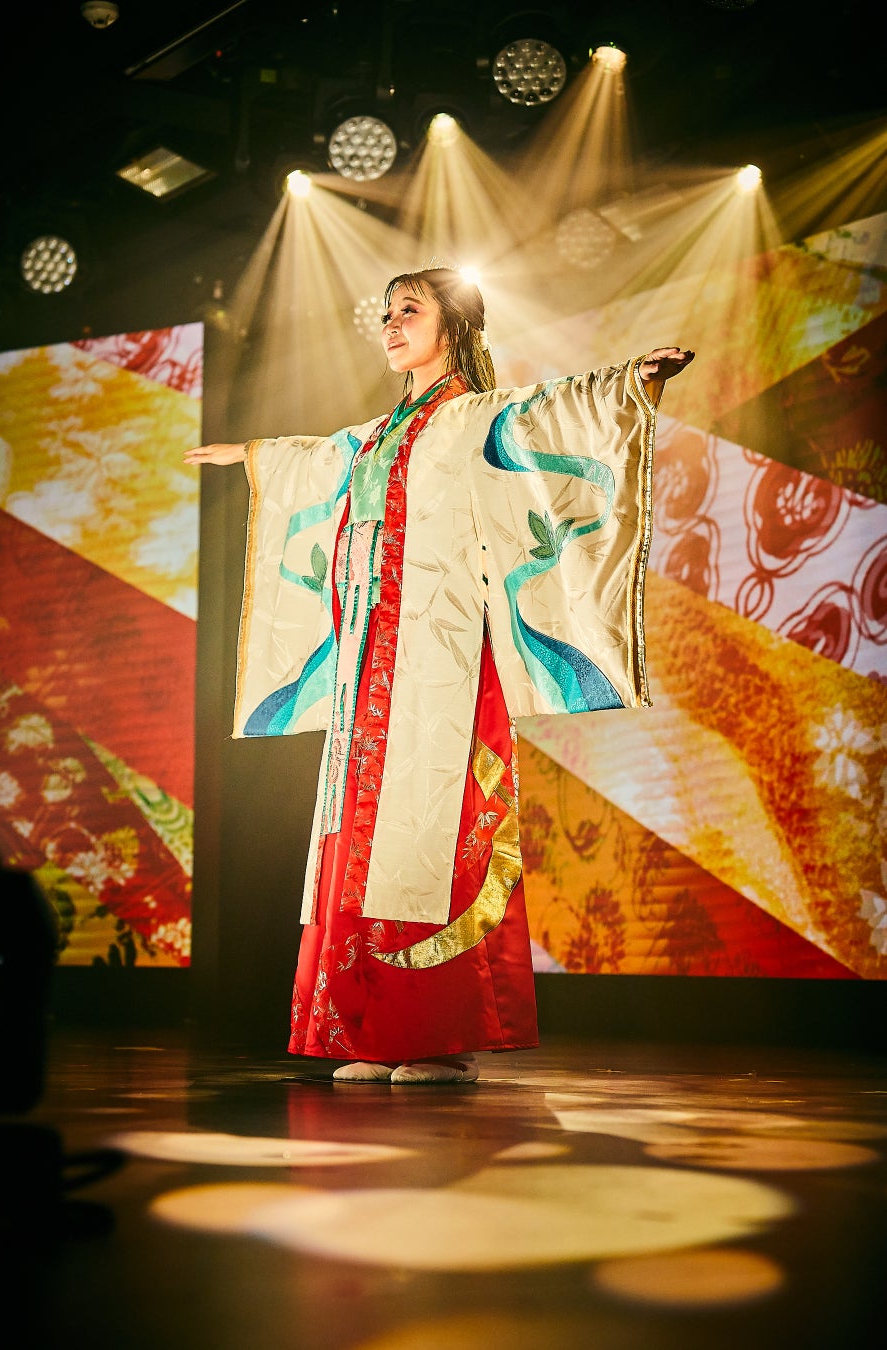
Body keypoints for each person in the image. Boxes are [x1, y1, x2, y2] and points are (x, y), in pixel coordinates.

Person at [186, 267, 694, 1084]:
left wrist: (628, 381)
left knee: (434, 836)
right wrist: (253, 456)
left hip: (443, 656)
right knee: (357, 839)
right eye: (386, 313)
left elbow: (551, 409)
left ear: (453, 326)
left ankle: (438, 1034)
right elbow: (322, 457)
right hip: (367, 669)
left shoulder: (472, 417)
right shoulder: (376, 436)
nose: (391, 325)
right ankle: (367, 1031)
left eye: (409, 311)